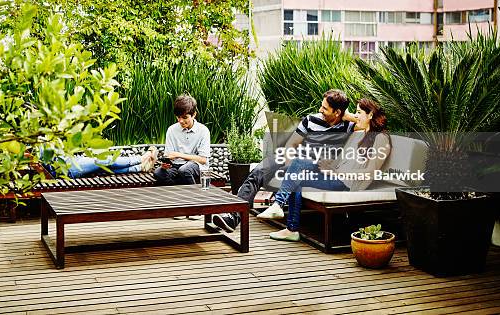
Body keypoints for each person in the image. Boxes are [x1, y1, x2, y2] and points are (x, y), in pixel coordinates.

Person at [212, 89, 355, 233]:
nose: (320, 110)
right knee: (259, 171)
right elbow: (291, 145)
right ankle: (233, 216)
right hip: (294, 160)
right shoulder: (311, 120)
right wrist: (288, 164)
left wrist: (348, 116)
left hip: (316, 167)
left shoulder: (348, 126)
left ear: (337, 112)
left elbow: (370, 123)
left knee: (300, 165)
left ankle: (278, 206)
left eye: (325, 108)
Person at [266, 98, 391, 242]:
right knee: (298, 168)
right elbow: (344, 159)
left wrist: (337, 172)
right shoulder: (359, 133)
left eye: (359, 112)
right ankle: (287, 222)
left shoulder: (381, 138)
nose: (356, 116)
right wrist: (330, 165)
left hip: (347, 183)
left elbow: (370, 172)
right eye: (355, 112)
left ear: (370, 115)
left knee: (298, 172)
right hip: (336, 176)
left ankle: (283, 213)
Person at [154, 94, 211, 186]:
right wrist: (165, 165)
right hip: (176, 166)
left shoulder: (203, 130)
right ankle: (176, 193)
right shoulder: (171, 130)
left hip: (196, 165)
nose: (180, 121)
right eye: (178, 117)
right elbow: (169, 156)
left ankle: (196, 196)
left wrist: (177, 154)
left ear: (194, 115)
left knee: (184, 170)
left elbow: (203, 160)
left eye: (185, 117)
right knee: (158, 173)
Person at [40, 146, 158, 179]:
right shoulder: (35, 144)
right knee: (103, 160)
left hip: (71, 162)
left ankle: (139, 167)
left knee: (104, 169)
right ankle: (141, 158)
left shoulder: (40, 137)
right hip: (69, 168)